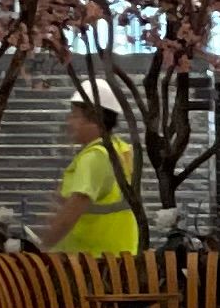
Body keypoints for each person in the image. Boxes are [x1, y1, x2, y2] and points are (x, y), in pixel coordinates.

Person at [40, 97, 143, 254]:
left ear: (95, 121)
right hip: (119, 258)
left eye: (75, 116)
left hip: (92, 262)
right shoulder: (119, 149)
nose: (69, 121)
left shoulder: (95, 157)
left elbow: (69, 216)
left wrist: (41, 247)